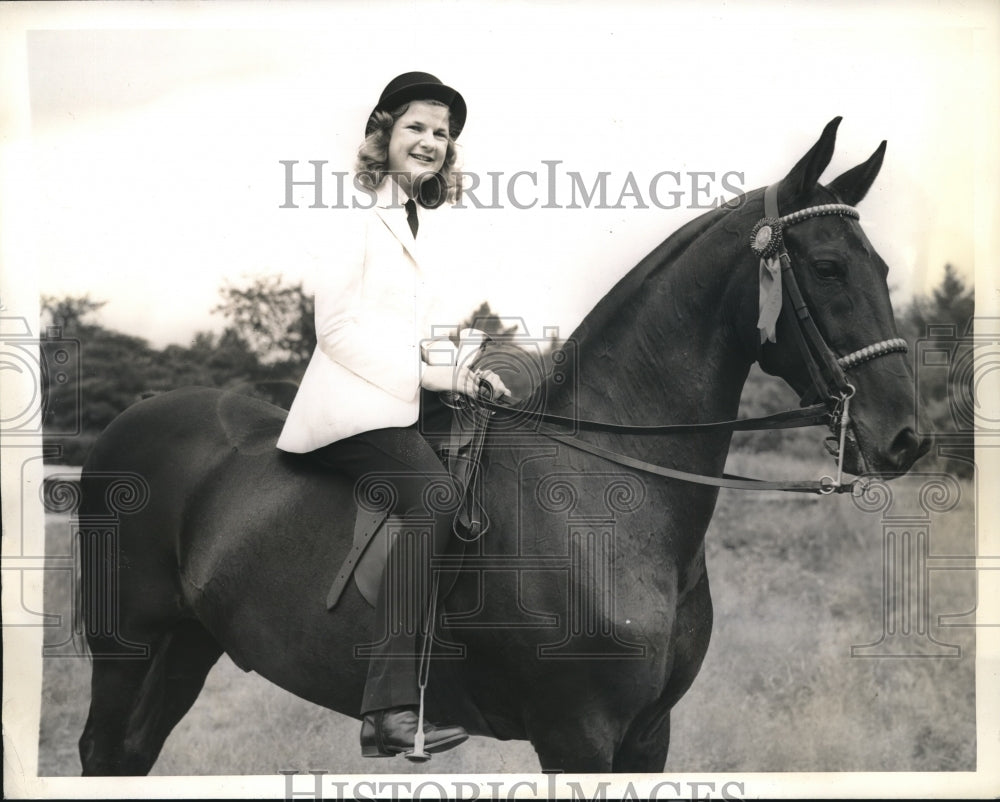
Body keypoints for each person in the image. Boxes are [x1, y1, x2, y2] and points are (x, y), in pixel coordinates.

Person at [276, 72, 510, 758]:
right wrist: (424, 376)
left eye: (442, 134)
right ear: (383, 133)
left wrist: (465, 375)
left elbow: (419, 339)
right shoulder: (355, 214)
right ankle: (386, 712)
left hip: (401, 400)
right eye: (417, 127)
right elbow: (337, 330)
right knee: (435, 499)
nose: (431, 142)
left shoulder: (419, 225)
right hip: (350, 408)